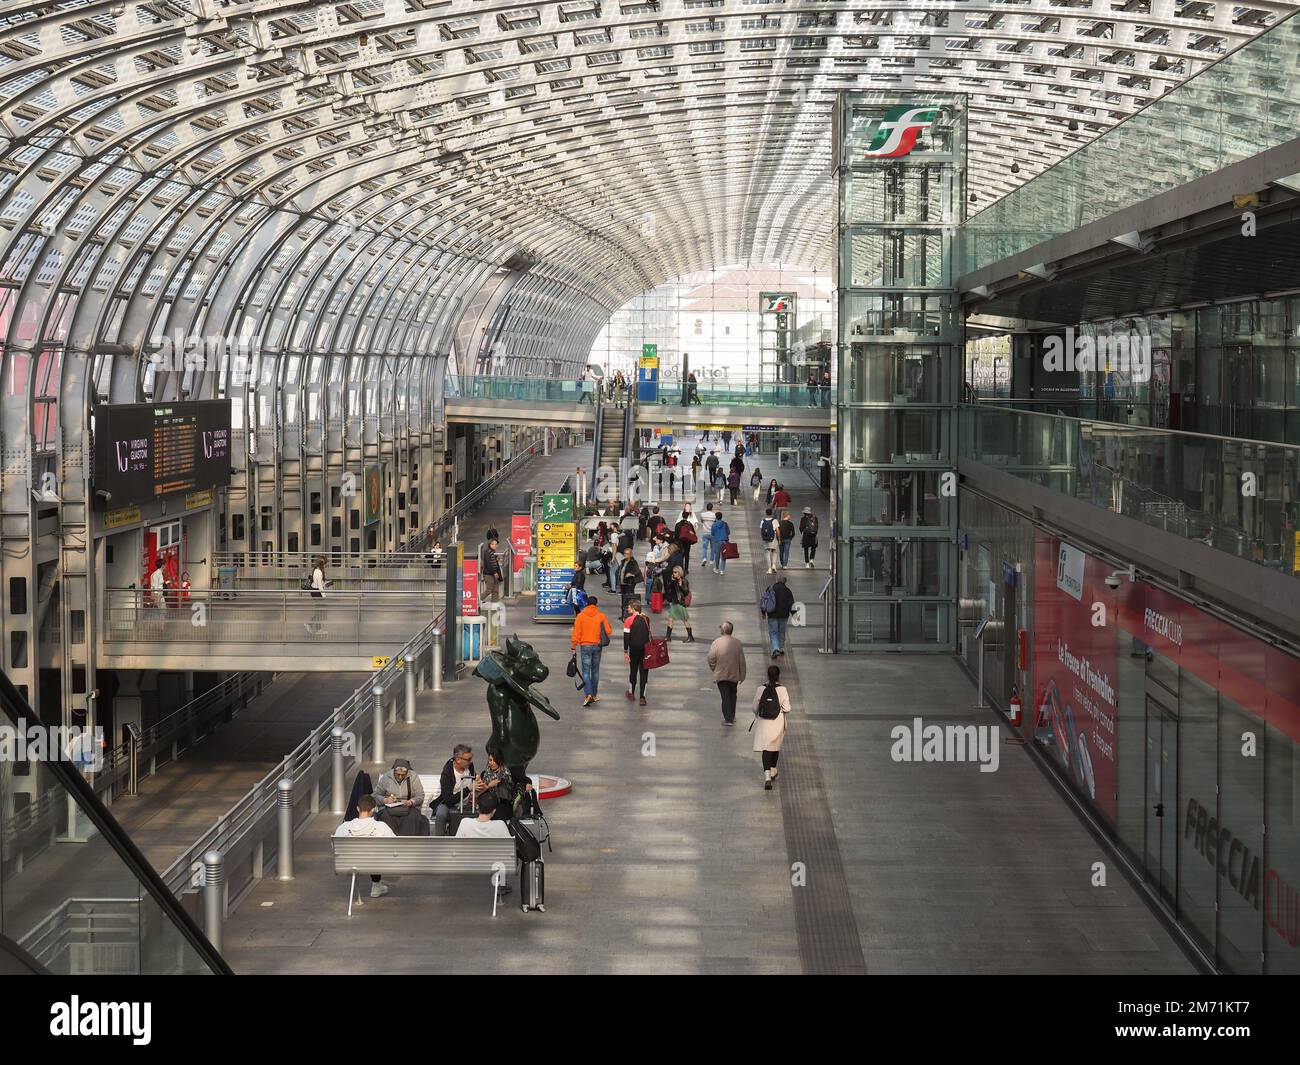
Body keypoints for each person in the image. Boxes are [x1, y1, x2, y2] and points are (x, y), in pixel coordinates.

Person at [334, 795, 396, 898]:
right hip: (374, 863)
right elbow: (394, 845)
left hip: (350, 864)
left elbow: (334, 847)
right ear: (373, 810)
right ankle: (376, 885)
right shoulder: (381, 827)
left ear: (357, 808)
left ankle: (375, 886)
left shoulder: (343, 827)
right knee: (377, 852)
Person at [752, 665, 792, 789]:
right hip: (777, 723)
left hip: (764, 723)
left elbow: (754, 707)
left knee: (766, 749)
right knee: (775, 747)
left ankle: (767, 776)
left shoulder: (760, 689)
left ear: (767, 675)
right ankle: (773, 768)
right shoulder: (783, 689)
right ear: (778, 675)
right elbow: (787, 708)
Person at [571, 594, 614, 706]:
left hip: (585, 646)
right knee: (595, 671)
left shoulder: (580, 616)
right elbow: (609, 631)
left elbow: (576, 632)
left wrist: (573, 646)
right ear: (596, 604)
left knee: (586, 671)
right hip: (597, 646)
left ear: (586, 604)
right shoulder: (601, 616)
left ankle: (588, 693)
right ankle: (594, 694)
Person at [373, 757, 427, 835]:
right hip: (389, 809)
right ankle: (390, 843)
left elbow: (420, 796)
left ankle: (407, 843)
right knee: (386, 818)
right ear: (394, 771)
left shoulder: (413, 776)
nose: (400, 777)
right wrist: (386, 800)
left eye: (403, 775)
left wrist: (411, 802)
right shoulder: (386, 778)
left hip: (409, 808)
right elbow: (375, 795)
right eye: (398, 775)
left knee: (412, 819)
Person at [707, 620, 747, 726]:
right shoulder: (738, 643)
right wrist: (742, 675)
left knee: (725, 696)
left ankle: (728, 719)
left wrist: (714, 668)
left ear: (723, 630)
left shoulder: (716, 642)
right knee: (733, 695)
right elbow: (741, 660)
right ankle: (732, 715)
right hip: (734, 674)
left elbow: (711, 657)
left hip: (721, 674)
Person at [434, 743, 475, 836]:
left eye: (471, 758)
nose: (470, 761)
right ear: (458, 759)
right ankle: (439, 842)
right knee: (441, 814)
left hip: (467, 803)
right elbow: (448, 800)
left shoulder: (470, 766)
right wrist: (468, 789)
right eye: (468, 759)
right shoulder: (447, 773)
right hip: (449, 804)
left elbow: (473, 782)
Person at [623, 598, 652, 706]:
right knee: (644, 672)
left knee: (633, 670)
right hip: (645, 649)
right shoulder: (646, 618)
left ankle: (631, 693)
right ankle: (642, 697)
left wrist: (625, 651)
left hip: (634, 649)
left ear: (634, 608)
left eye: (629, 607)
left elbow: (626, 637)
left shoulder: (628, 620)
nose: (628, 609)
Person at [760, 574, 795, 659]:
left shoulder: (770, 589)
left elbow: (765, 601)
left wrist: (763, 613)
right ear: (785, 582)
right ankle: (781, 648)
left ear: (777, 580)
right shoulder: (788, 591)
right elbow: (791, 604)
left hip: (772, 615)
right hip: (784, 615)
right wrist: (794, 614)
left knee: (773, 632)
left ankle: (775, 649)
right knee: (782, 632)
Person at [663, 565, 694, 643]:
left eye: (675, 572)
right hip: (674, 602)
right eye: (673, 572)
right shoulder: (674, 580)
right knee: (671, 619)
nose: (674, 574)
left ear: (679, 573)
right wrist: (672, 581)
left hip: (680, 603)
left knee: (684, 620)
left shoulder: (684, 581)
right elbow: (669, 588)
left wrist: (680, 585)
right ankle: (668, 636)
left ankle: (690, 637)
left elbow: (686, 592)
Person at [305, 555, 328, 635]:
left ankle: (318, 628)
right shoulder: (319, 572)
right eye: (325, 564)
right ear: (322, 564)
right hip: (316, 592)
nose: (326, 565)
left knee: (319, 611)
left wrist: (325, 584)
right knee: (320, 611)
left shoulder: (316, 570)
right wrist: (324, 596)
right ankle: (309, 624)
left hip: (314, 591)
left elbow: (319, 583)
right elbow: (319, 586)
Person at [617, 547, 643, 616]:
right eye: (625, 554)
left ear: (631, 554)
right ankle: (623, 614)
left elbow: (637, 571)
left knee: (630, 598)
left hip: (629, 582)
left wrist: (630, 574)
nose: (626, 555)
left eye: (627, 554)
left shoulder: (633, 562)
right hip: (623, 582)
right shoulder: (623, 561)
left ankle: (630, 613)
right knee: (623, 597)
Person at [673, 508, 698, 574]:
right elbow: (693, 533)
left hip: (679, 542)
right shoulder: (689, 524)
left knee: (680, 555)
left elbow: (675, 534)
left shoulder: (678, 524)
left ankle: (680, 568)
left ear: (682, 516)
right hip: (687, 542)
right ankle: (686, 569)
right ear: (687, 516)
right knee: (687, 555)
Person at [708, 506, 731, 575]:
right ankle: (722, 570)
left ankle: (716, 568)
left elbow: (712, 533)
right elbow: (728, 532)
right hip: (724, 541)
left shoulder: (714, 525)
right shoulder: (725, 523)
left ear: (716, 517)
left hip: (717, 541)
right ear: (721, 517)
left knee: (717, 555)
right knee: (724, 555)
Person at [760, 507, 779, 574]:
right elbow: (777, 530)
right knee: (774, 551)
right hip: (773, 538)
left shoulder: (763, 521)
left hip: (766, 539)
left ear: (766, 513)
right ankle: (774, 565)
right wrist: (779, 539)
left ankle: (769, 568)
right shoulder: (775, 521)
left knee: (767, 553)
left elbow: (761, 530)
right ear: (771, 513)